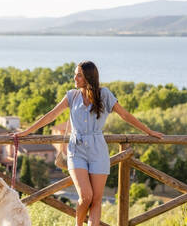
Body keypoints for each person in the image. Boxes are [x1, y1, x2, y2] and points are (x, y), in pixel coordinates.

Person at [12, 61, 163, 226]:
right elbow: (50, 115)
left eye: (79, 75)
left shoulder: (104, 94)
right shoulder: (72, 95)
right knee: (86, 196)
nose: (75, 78)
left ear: (88, 77)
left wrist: (149, 132)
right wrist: (26, 132)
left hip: (98, 150)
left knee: (96, 200)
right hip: (76, 150)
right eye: (75, 74)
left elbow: (125, 115)